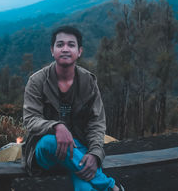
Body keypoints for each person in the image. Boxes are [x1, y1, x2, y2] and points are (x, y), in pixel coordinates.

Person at [22, 26, 123, 191]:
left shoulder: (88, 81)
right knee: (49, 141)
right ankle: (111, 187)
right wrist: (56, 127)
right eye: (60, 45)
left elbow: (96, 122)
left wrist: (95, 154)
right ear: (52, 51)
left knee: (84, 188)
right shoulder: (37, 81)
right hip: (46, 153)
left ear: (79, 51)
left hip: (78, 151)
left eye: (71, 45)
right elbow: (30, 120)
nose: (65, 49)